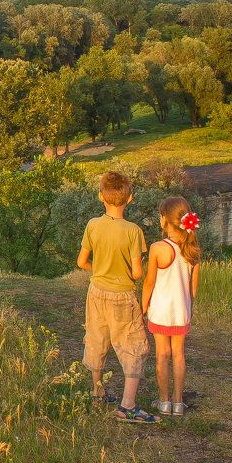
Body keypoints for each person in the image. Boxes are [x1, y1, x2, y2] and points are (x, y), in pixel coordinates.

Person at [77, 171, 159, 424]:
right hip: (122, 295)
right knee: (134, 346)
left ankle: (97, 393)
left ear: (100, 196)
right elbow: (136, 273)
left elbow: (82, 262)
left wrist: (100, 270)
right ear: (130, 198)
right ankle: (128, 406)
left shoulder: (92, 225)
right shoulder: (133, 231)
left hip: (96, 292)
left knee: (97, 339)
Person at [142, 196, 202, 417]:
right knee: (178, 355)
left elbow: (149, 282)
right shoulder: (193, 249)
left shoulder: (158, 248)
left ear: (164, 220)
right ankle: (178, 403)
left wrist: (143, 306)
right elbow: (193, 290)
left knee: (162, 354)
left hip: (161, 310)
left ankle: (164, 401)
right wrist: (188, 307)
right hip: (181, 311)